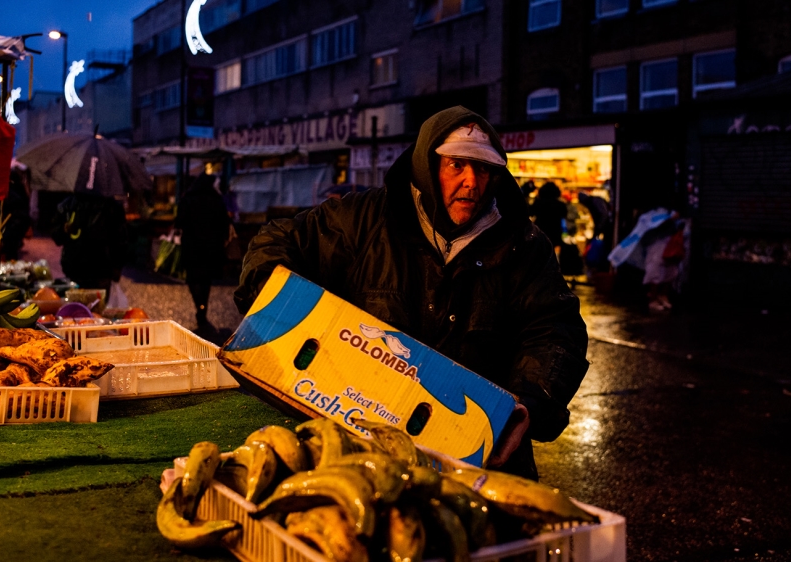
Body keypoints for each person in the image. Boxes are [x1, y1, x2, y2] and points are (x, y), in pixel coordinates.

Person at [235, 106, 589, 480]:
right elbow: (277, 241)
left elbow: (555, 332)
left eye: (483, 168)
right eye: (457, 165)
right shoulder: (363, 220)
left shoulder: (525, 246)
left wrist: (529, 402)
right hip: (363, 438)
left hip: (474, 458)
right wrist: (278, 308)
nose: (472, 182)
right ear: (426, 165)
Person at [175, 173, 231, 330]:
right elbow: (224, 223)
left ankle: (198, 305)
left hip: (191, 247)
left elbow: (179, 222)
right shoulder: (216, 200)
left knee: (193, 279)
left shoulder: (187, 199)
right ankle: (202, 309)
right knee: (206, 281)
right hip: (210, 248)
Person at [50, 193, 127, 299]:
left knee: (94, 309)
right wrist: (64, 229)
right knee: (78, 309)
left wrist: (117, 267)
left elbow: (120, 240)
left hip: (99, 270)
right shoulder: (68, 205)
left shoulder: (111, 207)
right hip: (76, 269)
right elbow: (57, 237)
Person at [530, 180, 567, 248]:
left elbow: (531, 213)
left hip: (541, 230)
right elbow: (564, 216)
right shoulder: (560, 204)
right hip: (555, 230)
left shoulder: (539, 202)